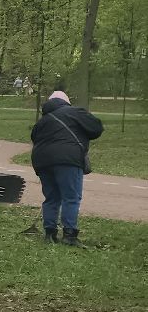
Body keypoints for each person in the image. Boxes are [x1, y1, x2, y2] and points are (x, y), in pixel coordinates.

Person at [31, 90, 104, 246]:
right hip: (67, 160)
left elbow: (34, 137)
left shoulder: (41, 121)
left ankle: (49, 234)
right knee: (71, 197)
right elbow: (96, 128)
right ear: (66, 102)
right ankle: (69, 235)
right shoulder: (75, 112)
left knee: (51, 197)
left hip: (42, 161)